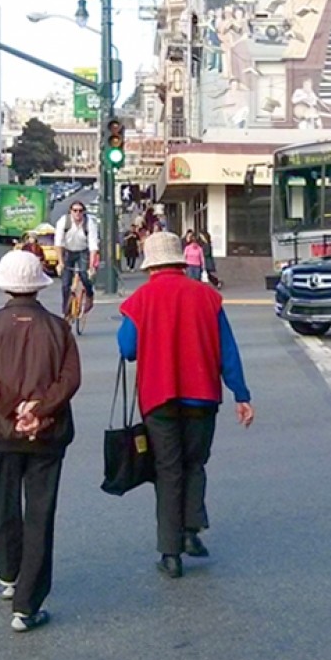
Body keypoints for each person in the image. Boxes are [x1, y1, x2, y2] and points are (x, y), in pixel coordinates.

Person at [117, 231, 254, 580]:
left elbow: (127, 349)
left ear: (151, 267)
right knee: (195, 464)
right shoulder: (208, 297)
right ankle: (192, 532)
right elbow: (228, 352)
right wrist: (241, 395)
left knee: (168, 470)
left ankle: (170, 552)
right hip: (202, 396)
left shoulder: (141, 299)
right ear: (180, 261)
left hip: (159, 397)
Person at [0, 250, 82, 632]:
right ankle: (27, 605)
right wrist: (40, 411)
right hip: (48, 435)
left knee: (4, 504)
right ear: (38, 286)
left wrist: (13, 408)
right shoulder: (58, 328)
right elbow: (70, 379)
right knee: (40, 513)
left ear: (5, 286)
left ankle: (8, 574)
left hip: (1, 431)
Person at [53, 200, 100, 317]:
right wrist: (60, 263)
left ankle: (89, 294)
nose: (78, 213)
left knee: (85, 275)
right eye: (75, 211)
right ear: (70, 211)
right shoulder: (63, 222)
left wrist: (91, 267)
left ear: (84, 212)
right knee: (65, 282)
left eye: (80, 211)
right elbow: (58, 243)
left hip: (83, 251)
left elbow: (93, 246)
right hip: (68, 251)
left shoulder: (89, 223)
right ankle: (65, 310)